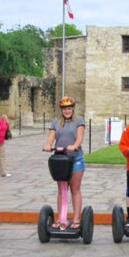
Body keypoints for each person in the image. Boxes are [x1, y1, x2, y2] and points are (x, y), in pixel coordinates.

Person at [43, 96, 85, 229]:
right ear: (61, 110)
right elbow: (51, 137)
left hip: (76, 158)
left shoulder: (79, 121)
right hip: (61, 159)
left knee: (75, 188)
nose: (67, 111)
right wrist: (48, 145)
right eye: (64, 109)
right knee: (62, 190)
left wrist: (75, 145)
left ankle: (76, 218)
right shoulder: (56, 122)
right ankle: (62, 218)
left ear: (73, 109)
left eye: (69, 108)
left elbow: (80, 138)